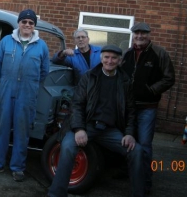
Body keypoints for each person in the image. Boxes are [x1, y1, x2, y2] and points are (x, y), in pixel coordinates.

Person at [48, 45, 145, 197]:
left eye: (114, 58)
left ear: (119, 61)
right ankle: (56, 194)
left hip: (109, 130)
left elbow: (131, 111)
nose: (110, 61)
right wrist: (79, 129)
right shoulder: (89, 76)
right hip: (86, 125)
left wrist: (129, 133)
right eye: (106, 57)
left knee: (137, 151)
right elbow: (76, 104)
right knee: (67, 147)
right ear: (101, 58)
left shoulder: (125, 81)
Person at [0, 9, 50, 182]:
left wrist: (30, 84)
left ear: (34, 26)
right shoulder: (7, 41)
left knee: (22, 132)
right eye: (24, 22)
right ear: (19, 23)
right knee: (2, 130)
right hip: (5, 91)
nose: (27, 25)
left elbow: (44, 72)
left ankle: (17, 168)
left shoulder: (41, 45)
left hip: (27, 95)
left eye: (30, 23)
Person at [121, 22, 175, 194]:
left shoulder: (159, 53)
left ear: (149, 35)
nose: (139, 36)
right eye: (136, 33)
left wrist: (151, 90)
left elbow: (169, 78)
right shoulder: (128, 53)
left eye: (143, 33)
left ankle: (145, 181)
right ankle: (128, 173)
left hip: (147, 108)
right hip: (129, 108)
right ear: (133, 35)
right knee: (129, 143)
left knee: (144, 145)